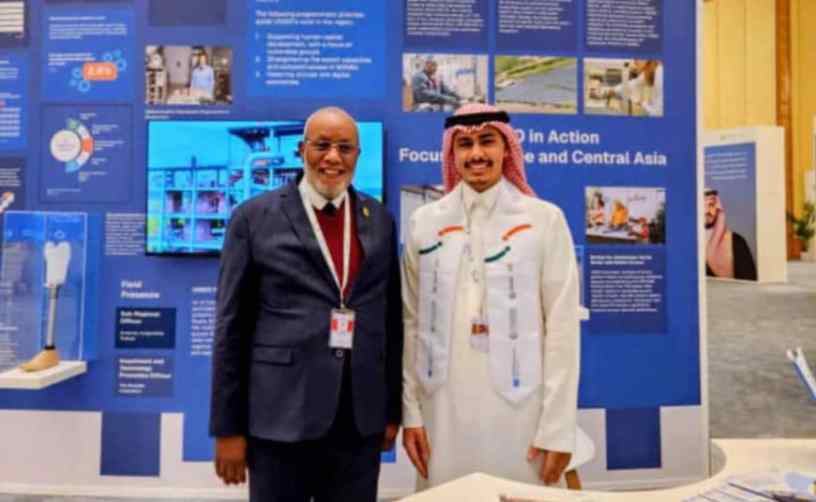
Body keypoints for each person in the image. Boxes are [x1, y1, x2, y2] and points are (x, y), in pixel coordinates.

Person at [209, 107, 403, 501]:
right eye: (322, 145)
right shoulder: (253, 219)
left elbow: (391, 321)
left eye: (345, 148)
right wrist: (228, 429)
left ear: (357, 155)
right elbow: (231, 328)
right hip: (280, 420)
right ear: (302, 150)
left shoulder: (380, 220)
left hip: (356, 423)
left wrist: (390, 411)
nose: (333, 157)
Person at [401, 104, 580, 487]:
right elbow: (410, 323)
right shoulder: (425, 222)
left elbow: (563, 329)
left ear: (506, 148)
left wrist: (558, 429)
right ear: (452, 153)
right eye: (464, 144)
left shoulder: (543, 220)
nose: (476, 154)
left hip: (521, 412)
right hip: (442, 411)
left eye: (487, 141)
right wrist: (411, 413)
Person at [705, 189, 757, 280]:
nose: (708, 211)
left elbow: (748, 282)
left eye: (711, 204)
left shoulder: (736, 241)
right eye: (702, 205)